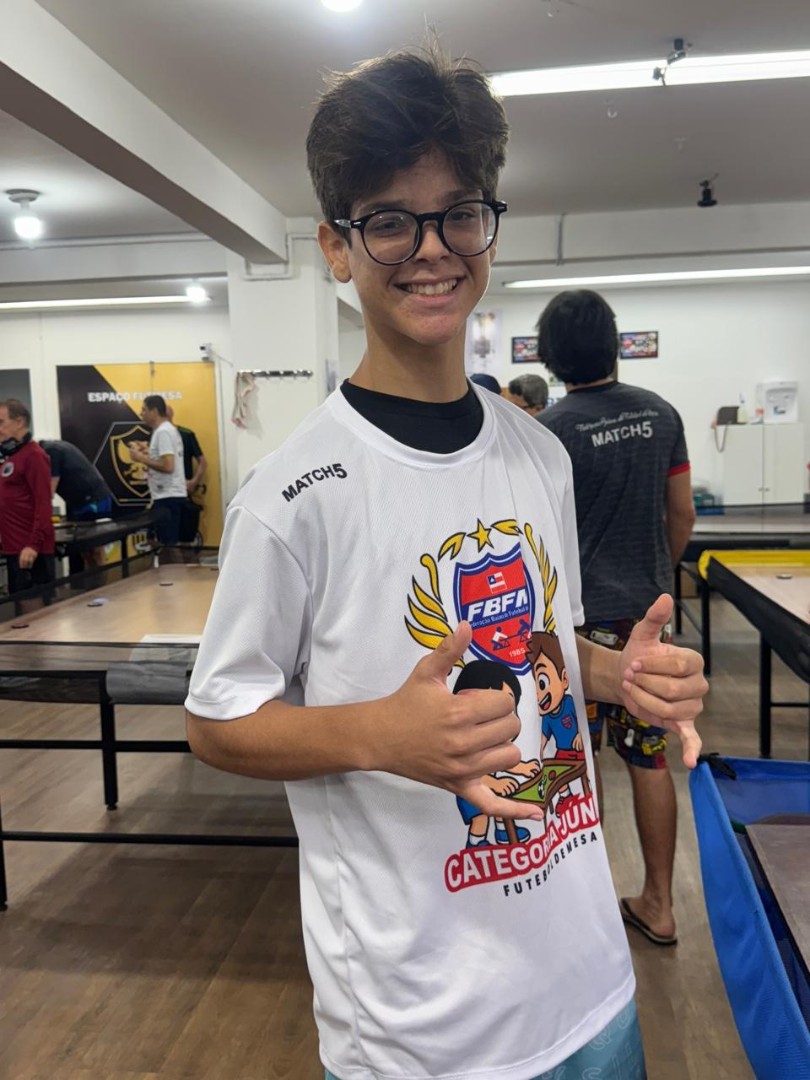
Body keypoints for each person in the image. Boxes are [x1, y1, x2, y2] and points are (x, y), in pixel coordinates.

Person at [186, 46, 706, 1080]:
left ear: (488, 227)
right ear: (337, 248)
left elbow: (548, 645)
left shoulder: (540, 454)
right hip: (420, 1031)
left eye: (458, 214)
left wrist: (619, 674)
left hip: (592, 990)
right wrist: (380, 733)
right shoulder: (293, 495)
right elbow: (217, 721)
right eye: (390, 220)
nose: (431, 250)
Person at [537, 289, 697, 948]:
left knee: (580, 762)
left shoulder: (550, 430)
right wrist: (656, 575)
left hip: (578, 626)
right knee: (650, 759)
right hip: (646, 623)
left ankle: (592, 913)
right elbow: (682, 512)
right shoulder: (661, 414)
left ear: (550, 356)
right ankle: (659, 904)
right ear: (614, 343)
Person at [0, 399, 55, 598]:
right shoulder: (12, 456)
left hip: (30, 551)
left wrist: (33, 544)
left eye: (1, 422)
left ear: (19, 422)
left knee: (35, 611)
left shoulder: (34, 455)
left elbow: (43, 503)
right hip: (13, 548)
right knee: (19, 609)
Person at [128, 395, 186, 546]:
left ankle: (170, 563)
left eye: (144, 410)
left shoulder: (163, 432)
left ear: (154, 411)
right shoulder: (165, 430)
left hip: (168, 496)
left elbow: (168, 466)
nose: (141, 413)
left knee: (168, 546)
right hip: (166, 496)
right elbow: (165, 458)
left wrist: (141, 458)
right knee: (157, 541)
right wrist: (148, 451)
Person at [39, 439, 113, 520]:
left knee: (91, 527)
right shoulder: (55, 446)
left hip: (92, 501)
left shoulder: (51, 451)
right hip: (88, 499)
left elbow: (50, 489)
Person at [165, 405, 207, 496]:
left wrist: (194, 482)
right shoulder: (154, 435)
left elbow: (203, 462)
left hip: (182, 489)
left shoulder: (186, 434)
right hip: (162, 489)